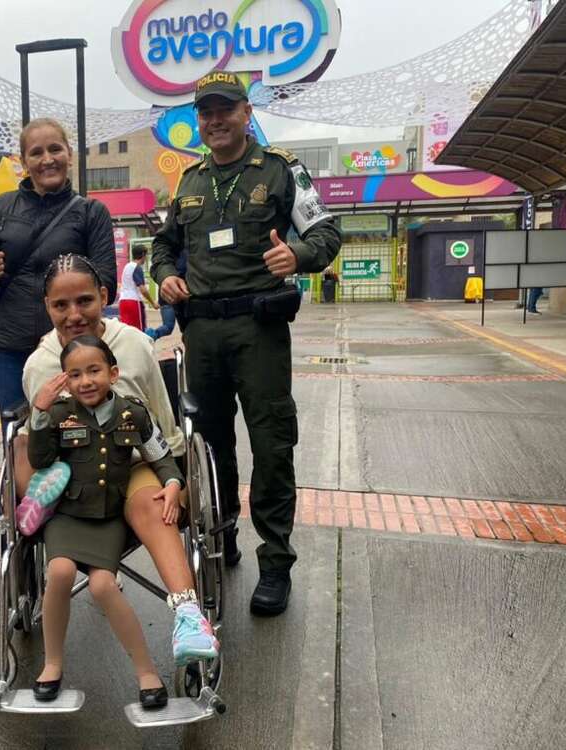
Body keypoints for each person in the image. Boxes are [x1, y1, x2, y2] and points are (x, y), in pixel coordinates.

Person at [151, 72, 342, 617]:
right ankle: (222, 536)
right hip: (203, 333)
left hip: (259, 331)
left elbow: (326, 232)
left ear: (245, 112)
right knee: (209, 448)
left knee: (271, 445)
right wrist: (165, 275)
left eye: (225, 109)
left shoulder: (280, 170)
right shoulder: (189, 181)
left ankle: (276, 562)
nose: (215, 120)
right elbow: (163, 247)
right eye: (206, 112)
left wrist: (297, 256)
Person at [22, 254, 219, 666]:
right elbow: (34, 447)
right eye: (61, 305)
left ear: (103, 296)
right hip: (72, 476)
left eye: (84, 301)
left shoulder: (134, 345)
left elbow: (163, 425)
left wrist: (175, 478)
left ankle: (188, 614)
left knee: (152, 502)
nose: (74, 315)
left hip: (134, 463)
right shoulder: (40, 365)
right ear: (46, 307)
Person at [27, 335, 188, 709]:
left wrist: (173, 483)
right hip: (67, 515)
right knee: (60, 572)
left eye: (94, 371)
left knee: (103, 585)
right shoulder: (59, 414)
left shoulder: (133, 414)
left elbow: (160, 456)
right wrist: (39, 412)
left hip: (108, 518)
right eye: (75, 375)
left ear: (113, 373)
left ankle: (146, 672)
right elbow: (40, 460)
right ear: (65, 380)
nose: (85, 381)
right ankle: (52, 664)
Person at [0, 117, 116, 419]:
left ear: (69, 154)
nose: (47, 159)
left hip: (74, 350)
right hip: (12, 348)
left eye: (55, 149)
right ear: (24, 162)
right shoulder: (0, 209)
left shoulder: (91, 212)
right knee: (17, 435)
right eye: (36, 153)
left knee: (78, 433)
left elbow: (107, 285)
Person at [118, 245, 158, 331]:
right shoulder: (137, 267)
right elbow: (143, 289)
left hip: (122, 302)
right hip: (133, 302)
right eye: (146, 255)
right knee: (138, 331)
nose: (146, 258)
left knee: (126, 330)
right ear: (143, 254)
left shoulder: (127, 266)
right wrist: (153, 303)